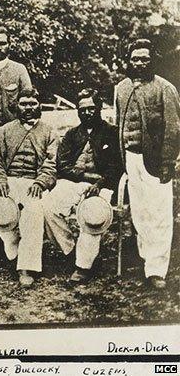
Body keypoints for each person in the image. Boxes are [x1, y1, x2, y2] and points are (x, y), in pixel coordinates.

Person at [115, 39, 180, 289]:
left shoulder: (165, 88)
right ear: (128, 61)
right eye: (135, 59)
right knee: (140, 212)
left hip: (154, 161)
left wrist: (167, 163)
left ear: (153, 60)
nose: (140, 63)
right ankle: (144, 258)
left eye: (145, 58)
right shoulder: (121, 88)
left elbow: (173, 129)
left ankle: (156, 270)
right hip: (131, 159)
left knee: (159, 214)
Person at [44, 89, 122, 285]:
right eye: (83, 109)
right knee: (48, 206)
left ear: (99, 109)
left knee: (92, 213)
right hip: (73, 182)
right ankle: (71, 251)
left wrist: (99, 183)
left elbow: (117, 166)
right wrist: (84, 177)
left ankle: (84, 266)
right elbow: (62, 165)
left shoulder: (111, 132)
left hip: (102, 185)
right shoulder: (71, 134)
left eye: (91, 109)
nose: (87, 113)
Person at [0, 89, 57, 287]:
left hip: (34, 183)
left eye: (32, 103)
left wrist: (40, 182)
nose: (28, 108)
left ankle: (27, 267)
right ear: (16, 106)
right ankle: (14, 248)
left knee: (33, 212)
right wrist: (0, 181)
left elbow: (51, 164)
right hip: (9, 181)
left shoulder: (49, 131)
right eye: (24, 104)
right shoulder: (5, 131)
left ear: (39, 106)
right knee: (0, 209)